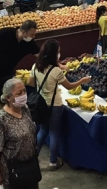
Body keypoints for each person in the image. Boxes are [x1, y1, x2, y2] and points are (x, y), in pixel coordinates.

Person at [28, 40, 91, 170]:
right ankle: (53, 161)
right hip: (55, 105)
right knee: (54, 133)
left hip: (41, 104)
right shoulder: (56, 71)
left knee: (42, 130)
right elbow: (69, 86)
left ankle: (33, 158)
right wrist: (82, 81)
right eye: (58, 52)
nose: (59, 54)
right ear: (54, 54)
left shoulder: (36, 66)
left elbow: (30, 83)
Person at [0, 20, 39, 106]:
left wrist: (56, 63)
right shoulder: (6, 32)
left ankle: (3, 117)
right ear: (24, 32)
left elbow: (40, 55)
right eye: (32, 34)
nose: (34, 37)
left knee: (5, 99)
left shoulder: (29, 43)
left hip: (6, 74)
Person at [0, 78, 39, 189]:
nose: (24, 95)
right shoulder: (1, 119)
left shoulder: (25, 109)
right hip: (13, 169)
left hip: (30, 164)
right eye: (19, 93)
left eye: (24, 91)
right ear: (8, 97)